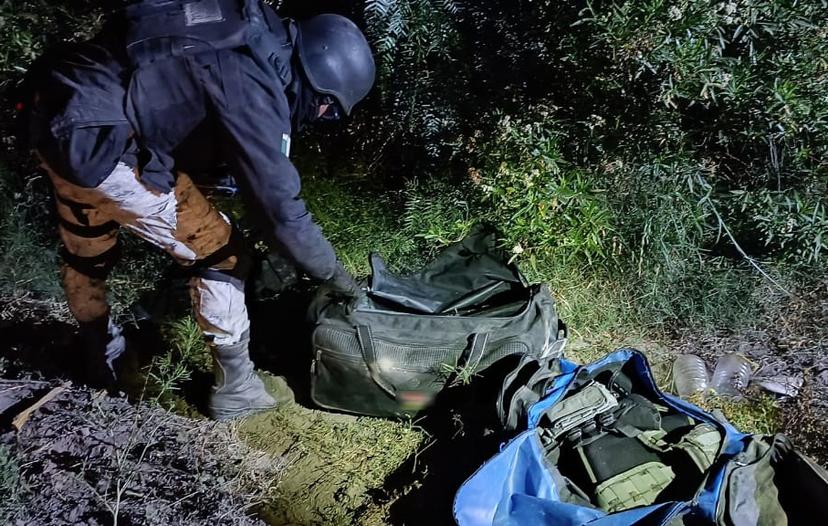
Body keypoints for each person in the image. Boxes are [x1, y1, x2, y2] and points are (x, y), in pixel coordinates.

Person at [18, 0, 375, 420]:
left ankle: (104, 353)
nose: (319, 117)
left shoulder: (237, 27)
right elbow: (281, 211)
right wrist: (337, 278)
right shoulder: (254, 79)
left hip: (60, 122)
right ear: (317, 73)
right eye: (325, 107)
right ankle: (237, 388)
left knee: (87, 252)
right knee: (223, 255)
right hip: (107, 146)